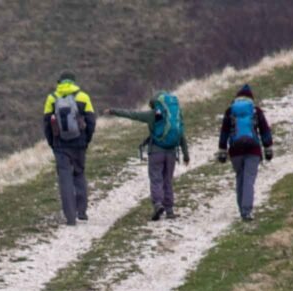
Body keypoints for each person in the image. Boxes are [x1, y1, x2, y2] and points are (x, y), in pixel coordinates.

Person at [106, 91, 190, 221]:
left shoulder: (152, 115)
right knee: (167, 180)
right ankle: (169, 210)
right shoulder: (175, 115)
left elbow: (132, 115)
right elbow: (182, 135)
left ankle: (158, 204)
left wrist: (113, 111)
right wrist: (186, 155)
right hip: (171, 153)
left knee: (156, 179)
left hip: (156, 151)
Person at [43, 71, 97, 226]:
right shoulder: (83, 97)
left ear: (59, 82)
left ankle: (70, 217)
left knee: (65, 179)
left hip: (60, 145)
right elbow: (91, 122)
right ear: (74, 82)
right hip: (79, 144)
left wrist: (52, 144)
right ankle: (82, 211)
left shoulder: (52, 99)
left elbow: (47, 124)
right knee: (79, 174)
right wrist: (86, 140)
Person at [216, 83, 274, 221]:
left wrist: (222, 151)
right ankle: (246, 211)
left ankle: (242, 208)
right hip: (253, 150)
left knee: (240, 178)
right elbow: (265, 130)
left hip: (235, 151)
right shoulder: (255, 111)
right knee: (249, 180)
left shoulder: (230, 111)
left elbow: (224, 132)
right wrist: (268, 149)